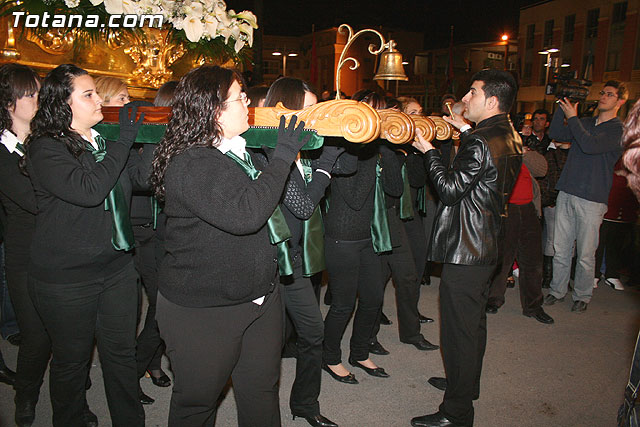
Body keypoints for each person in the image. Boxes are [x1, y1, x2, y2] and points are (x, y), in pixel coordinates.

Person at [150, 65, 310, 427]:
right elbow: (247, 214)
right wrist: (284, 156)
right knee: (197, 403)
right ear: (214, 109)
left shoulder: (237, 150)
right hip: (204, 310)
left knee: (261, 392)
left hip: (258, 297)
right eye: (239, 98)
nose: (248, 103)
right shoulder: (191, 162)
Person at [25, 64, 146, 427]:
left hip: (116, 269)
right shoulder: (46, 148)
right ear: (63, 103)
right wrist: (124, 141)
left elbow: (140, 180)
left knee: (122, 355)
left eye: (96, 92)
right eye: (88, 94)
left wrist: (158, 142)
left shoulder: (103, 141)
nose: (98, 101)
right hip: (66, 278)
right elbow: (89, 191)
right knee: (72, 360)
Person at [411, 69, 522, 427]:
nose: (465, 98)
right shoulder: (509, 133)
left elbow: (448, 189)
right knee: (473, 325)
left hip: (468, 247)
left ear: (491, 100)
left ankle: (456, 412)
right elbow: (485, 167)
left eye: (472, 92)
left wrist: (428, 151)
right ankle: (464, 384)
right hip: (489, 242)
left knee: (459, 329)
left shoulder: (479, 141)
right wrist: (462, 128)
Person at [257, 76, 341, 427]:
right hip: (265, 261)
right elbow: (303, 205)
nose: (314, 115)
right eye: (308, 108)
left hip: (294, 260)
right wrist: (324, 168)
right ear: (287, 108)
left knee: (312, 332)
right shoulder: (268, 148)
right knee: (261, 346)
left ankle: (305, 404)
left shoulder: (307, 144)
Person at [322, 89, 393, 385]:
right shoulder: (343, 148)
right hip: (342, 236)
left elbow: (395, 190)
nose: (375, 119)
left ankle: (360, 352)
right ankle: (329, 357)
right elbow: (354, 196)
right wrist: (369, 149)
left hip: (368, 235)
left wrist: (385, 150)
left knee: (374, 298)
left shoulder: (375, 149)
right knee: (342, 304)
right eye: (371, 111)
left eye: (380, 112)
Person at [543, 80, 627, 313]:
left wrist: (573, 117)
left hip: (592, 197)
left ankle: (582, 295)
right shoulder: (587, 122)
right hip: (568, 190)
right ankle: (557, 290)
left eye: (609, 94)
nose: (603, 97)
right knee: (561, 247)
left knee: (586, 252)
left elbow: (589, 145)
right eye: (602, 93)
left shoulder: (617, 129)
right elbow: (557, 132)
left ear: (620, 101)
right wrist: (563, 105)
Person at [0, 63, 52, 427]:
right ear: (8, 103)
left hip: (60, 250)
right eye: (30, 94)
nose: (38, 100)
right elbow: (36, 200)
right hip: (25, 256)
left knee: (70, 336)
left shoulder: (47, 140)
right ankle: (26, 396)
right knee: (36, 335)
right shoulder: (4, 152)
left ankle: (74, 399)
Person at [486, 146, 554, 324]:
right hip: (506, 209)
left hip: (528, 208)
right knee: (502, 258)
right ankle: (493, 299)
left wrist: (524, 152)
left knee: (533, 262)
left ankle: (533, 306)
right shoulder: (496, 146)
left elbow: (542, 169)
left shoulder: (524, 151)